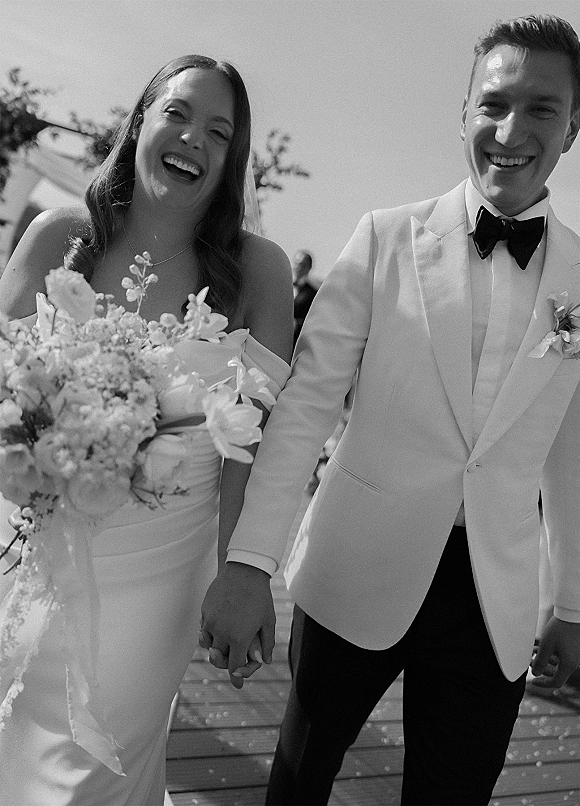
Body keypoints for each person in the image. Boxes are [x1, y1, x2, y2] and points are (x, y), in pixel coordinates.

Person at [200, 15, 580, 805]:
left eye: (541, 108)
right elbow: (305, 411)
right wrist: (248, 563)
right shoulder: (383, 239)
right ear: (464, 114)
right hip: (354, 567)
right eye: (493, 104)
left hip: (494, 601)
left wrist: (573, 603)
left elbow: (574, 457)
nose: (511, 129)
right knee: (301, 781)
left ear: (573, 127)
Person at [0, 55, 293, 806]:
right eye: (178, 114)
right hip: (26, 549)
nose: (194, 138)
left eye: (219, 132)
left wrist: (242, 573)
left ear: (232, 160)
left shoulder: (258, 270)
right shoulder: (57, 236)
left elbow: (256, 444)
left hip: (156, 580)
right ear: (140, 123)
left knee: (94, 773)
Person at [291, 249, 318, 345]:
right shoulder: (282, 287)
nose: (298, 268)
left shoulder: (312, 294)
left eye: (302, 265)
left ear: (309, 268)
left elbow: (312, 322)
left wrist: (295, 324)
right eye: (296, 263)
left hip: (296, 342)